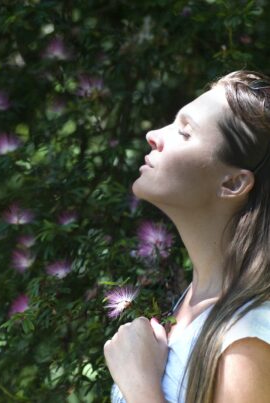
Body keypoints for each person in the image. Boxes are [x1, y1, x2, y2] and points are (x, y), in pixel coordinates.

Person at [103, 70, 270, 403]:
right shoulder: (196, 302)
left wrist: (139, 385)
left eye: (184, 131)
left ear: (233, 184)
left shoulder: (247, 337)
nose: (153, 134)